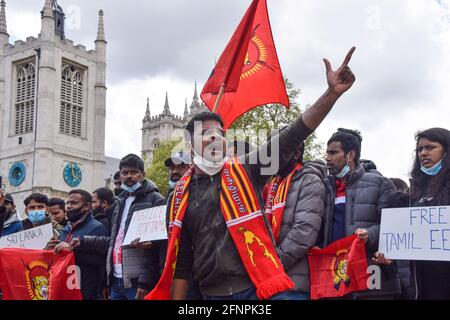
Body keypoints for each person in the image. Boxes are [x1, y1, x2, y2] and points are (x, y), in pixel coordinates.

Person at [149, 47, 357, 301]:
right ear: (190, 146)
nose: (215, 137)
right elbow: (181, 261)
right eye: (206, 133)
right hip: (210, 295)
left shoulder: (248, 169)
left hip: (258, 290)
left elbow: (293, 134)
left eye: (221, 133)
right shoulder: (177, 197)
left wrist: (331, 95)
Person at [70, 154, 165, 300]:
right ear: (120, 175)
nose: (129, 176)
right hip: (116, 280)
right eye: (125, 173)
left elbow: (158, 246)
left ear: (143, 174)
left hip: (138, 283)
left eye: (134, 172)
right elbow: (114, 242)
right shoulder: (118, 203)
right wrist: (82, 241)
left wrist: (145, 282)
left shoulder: (156, 200)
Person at [320, 128, 401, 299]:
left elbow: (393, 228)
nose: (327, 158)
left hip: (371, 276)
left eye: (333, 153)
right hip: (335, 278)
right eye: (327, 153)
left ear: (350, 155)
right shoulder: (324, 187)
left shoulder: (380, 184)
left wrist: (369, 235)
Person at [265, 143, 327, 300]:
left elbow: (304, 231)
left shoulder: (310, 180)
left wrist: (272, 265)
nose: (270, 157)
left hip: (293, 285)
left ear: (296, 154)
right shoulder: (273, 184)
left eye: (276, 152)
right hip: (268, 281)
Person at [409, 128, 450, 299]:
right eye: (419, 149)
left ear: (446, 151)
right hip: (422, 280)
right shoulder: (416, 188)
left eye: (430, 147)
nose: (423, 153)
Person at [48, 190, 108, 300]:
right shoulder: (66, 229)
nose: (69, 207)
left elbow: (102, 260)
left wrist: (72, 251)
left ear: (87, 206)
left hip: (87, 293)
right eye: (68, 203)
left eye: (74, 203)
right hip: (66, 291)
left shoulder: (97, 228)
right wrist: (50, 249)